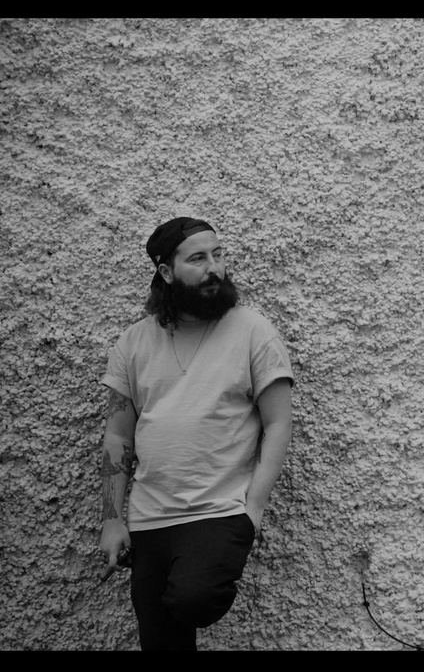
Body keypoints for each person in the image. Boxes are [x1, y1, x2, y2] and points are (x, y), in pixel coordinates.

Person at [98, 216, 294, 650]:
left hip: (219, 511)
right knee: (162, 642)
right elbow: (117, 437)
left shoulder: (252, 330)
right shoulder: (132, 343)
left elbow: (279, 422)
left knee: (194, 598)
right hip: (149, 518)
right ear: (167, 273)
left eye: (218, 254)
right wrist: (113, 520)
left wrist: (254, 510)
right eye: (198, 258)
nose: (214, 268)